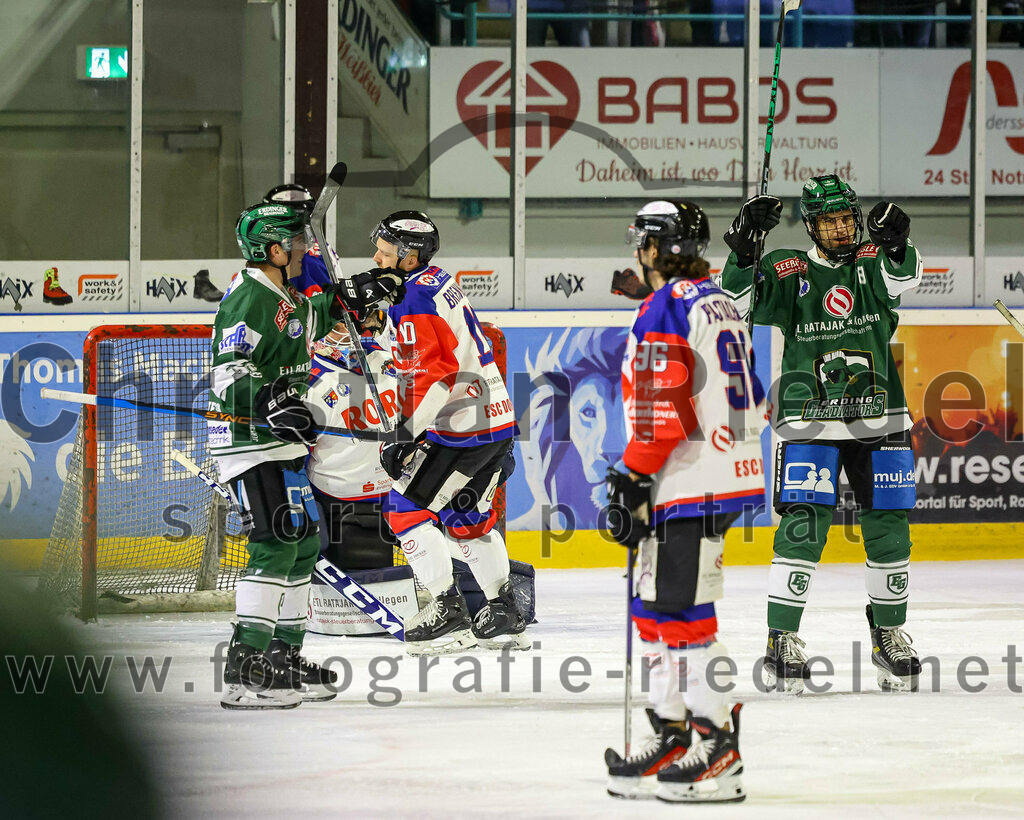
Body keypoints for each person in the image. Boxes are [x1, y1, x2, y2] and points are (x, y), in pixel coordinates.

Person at [719, 175, 924, 695]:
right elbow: (735, 303)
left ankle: (889, 632)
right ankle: (782, 639)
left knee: (888, 525)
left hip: (882, 416)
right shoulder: (789, 267)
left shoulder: (876, 259)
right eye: (829, 221)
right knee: (804, 527)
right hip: (810, 417)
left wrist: (897, 241)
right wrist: (744, 250)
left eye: (846, 218)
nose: (840, 228)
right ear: (811, 224)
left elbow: (907, 279)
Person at [209, 201, 403, 708]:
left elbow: (314, 319)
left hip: (282, 442)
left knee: (302, 544)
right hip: (250, 444)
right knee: (275, 542)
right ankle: (244, 666)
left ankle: (282, 657)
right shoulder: (248, 297)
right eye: (293, 243)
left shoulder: (284, 293)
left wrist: (356, 296)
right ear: (271, 250)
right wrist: (268, 399)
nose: (301, 249)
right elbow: (230, 373)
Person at [604, 201, 766, 803]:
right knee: (655, 609)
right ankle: (673, 731)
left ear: (652, 248)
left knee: (684, 617)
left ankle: (718, 748)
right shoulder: (718, 299)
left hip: (689, 481)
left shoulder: (667, 306)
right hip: (710, 475)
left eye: (640, 244)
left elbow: (663, 408)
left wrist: (632, 476)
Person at [372, 210, 526, 655]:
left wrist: (404, 433)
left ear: (408, 254)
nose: (376, 258)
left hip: (460, 430)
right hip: (492, 421)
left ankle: (447, 609)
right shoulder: (435, 281)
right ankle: (504, 612)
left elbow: (438, 379)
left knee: (404, 509)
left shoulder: (412, 299)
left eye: (384, 251)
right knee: (467, 519)